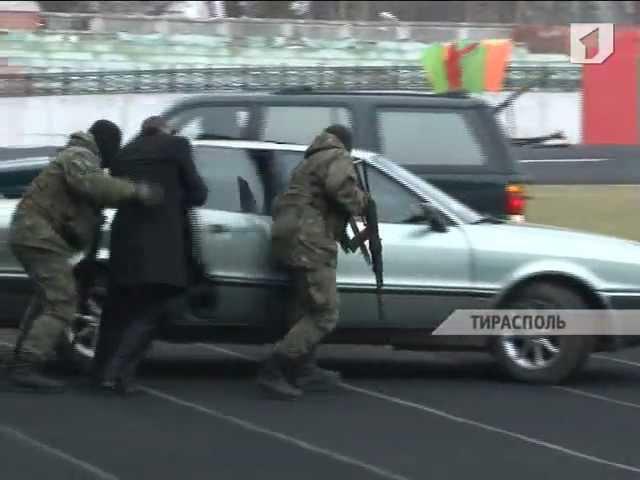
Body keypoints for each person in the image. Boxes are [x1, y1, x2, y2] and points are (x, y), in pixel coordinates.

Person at [4, 120, 164, 393]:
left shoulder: (81, 156)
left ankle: (22, 358)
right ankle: (26, 367)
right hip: (38, 235)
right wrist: (136, 190)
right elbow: (92, 185)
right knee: (62, 302)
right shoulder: (79, 155)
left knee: (46, 300)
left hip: (37, 234)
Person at [93, 116, 208, 394]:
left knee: (119, 310)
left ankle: (103, 372)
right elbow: (198, 193)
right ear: (165, 130)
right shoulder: (177, 146)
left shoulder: (124, 154)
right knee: (150, 310)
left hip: (125, 239)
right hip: (161, 242)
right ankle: (118, 374)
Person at [257, 124, 369, 400]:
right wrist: (363, 202)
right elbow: (341, 188)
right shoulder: (337, 156)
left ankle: (303, 369)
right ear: (346, 143)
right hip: (309, 239)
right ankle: (275, 367)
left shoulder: (308, 162)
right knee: (324, 313)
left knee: (303, 307)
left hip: (289, 236)